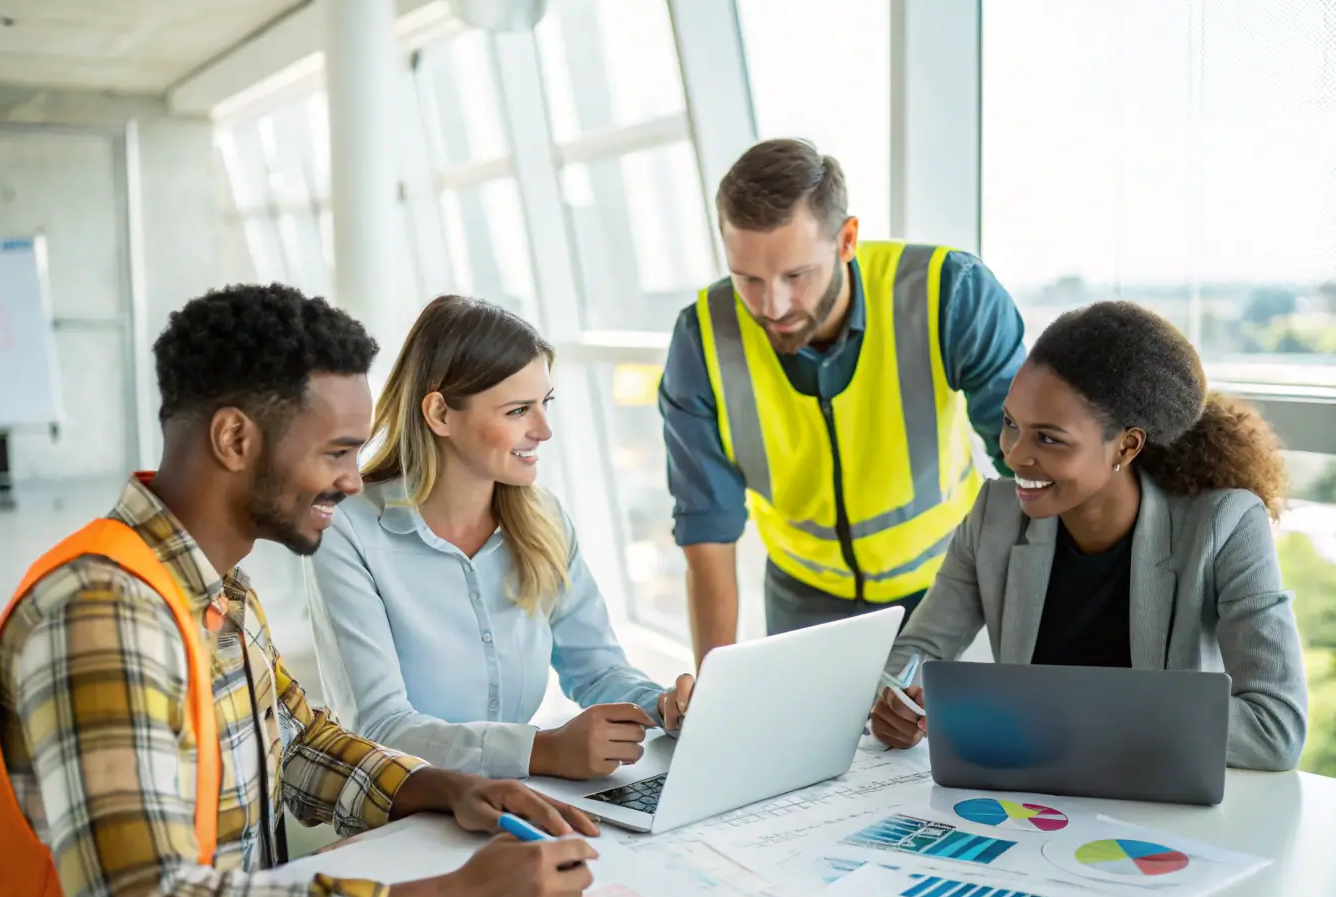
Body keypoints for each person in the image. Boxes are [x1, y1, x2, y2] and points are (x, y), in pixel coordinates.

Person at [0, 284, 602, 897]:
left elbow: (300, 744)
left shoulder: (214, 589)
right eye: (335, 451)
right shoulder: (102, 613)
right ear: (236, 440)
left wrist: (446, 787)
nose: (351, 479)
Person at [869, 301, 1308, 772]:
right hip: (1029, 797)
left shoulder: (1224, 523)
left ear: (1126, 445)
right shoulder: (994, 515)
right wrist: (896, 703)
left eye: (1049, 438)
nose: (1015, 456)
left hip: (1155, 803)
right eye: (1011, 424)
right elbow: (915, 657)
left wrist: (1068, 712)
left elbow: (1275, 727)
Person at [659, 138, 1027, 668]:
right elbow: (707, 530)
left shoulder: (950, 291)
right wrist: (713, 686)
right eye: (748, 280)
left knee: (944, 747)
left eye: (795, 275)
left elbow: (1026, 461)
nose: (773, 307)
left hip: (945, 585)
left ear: (847, 239)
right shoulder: (702, 339)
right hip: (801, 598)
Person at [305, 295, 695, 782]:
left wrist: (661, 705)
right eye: (518, 411)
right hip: (403, 816)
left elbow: (596, 670)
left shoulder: (543, 519)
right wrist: (543, 751)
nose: (544, 430)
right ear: (441, 414)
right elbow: (380, 728)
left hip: (517, 800)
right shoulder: (346, 530)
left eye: (545, 403)